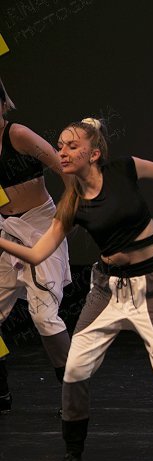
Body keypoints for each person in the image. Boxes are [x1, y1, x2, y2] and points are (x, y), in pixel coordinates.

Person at [0, 118, 153, 461]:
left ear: (94, 153)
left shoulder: (123, 169)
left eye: (72, 146)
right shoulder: (71, 203)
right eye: (60, 146)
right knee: (74, 371)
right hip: (107, 290)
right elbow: (37, 254)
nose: (62, 152)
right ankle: (73, 456)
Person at [0, 76, 74, 415]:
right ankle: (1, 391)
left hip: (41, 224)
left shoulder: (17, 134)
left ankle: (74, 394)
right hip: (6, 230)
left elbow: (64, 167)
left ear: (3, 104)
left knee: (44, 316)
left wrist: (68, 212)